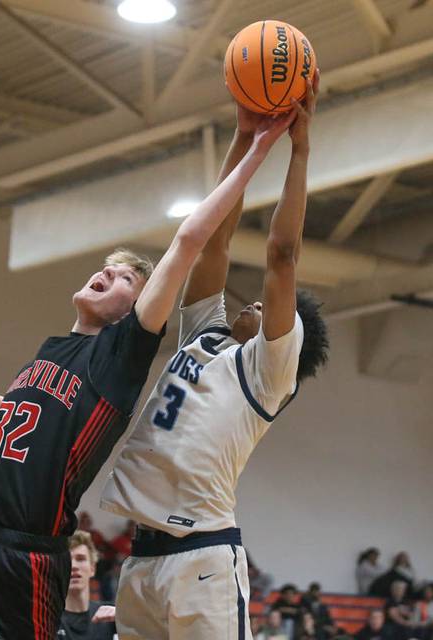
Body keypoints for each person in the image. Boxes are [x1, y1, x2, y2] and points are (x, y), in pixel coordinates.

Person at [0, 105, 293, 640]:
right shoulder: (55, 349)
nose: (107, 274)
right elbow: (5, 413)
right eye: (107, 268)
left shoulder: (122, 355)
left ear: (136, 309)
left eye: (123, 278)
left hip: (25, 553)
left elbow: (190, 240)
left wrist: (254, 148)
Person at [101, 72, 328, 640]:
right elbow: (215, 237)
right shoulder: (205, 334)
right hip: (143, 556)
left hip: (201, 554)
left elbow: (281, 255)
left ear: (287, 334)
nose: (252, 299)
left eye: (270, 307)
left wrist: (298, 148)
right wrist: (243, 133)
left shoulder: (269, 372)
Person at [58, 530, 116, 640]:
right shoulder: (47, 619)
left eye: (80, 559)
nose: (74, 566)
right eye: (67, 560)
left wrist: (127, 618)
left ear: (92, 568)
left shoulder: (109, 613)